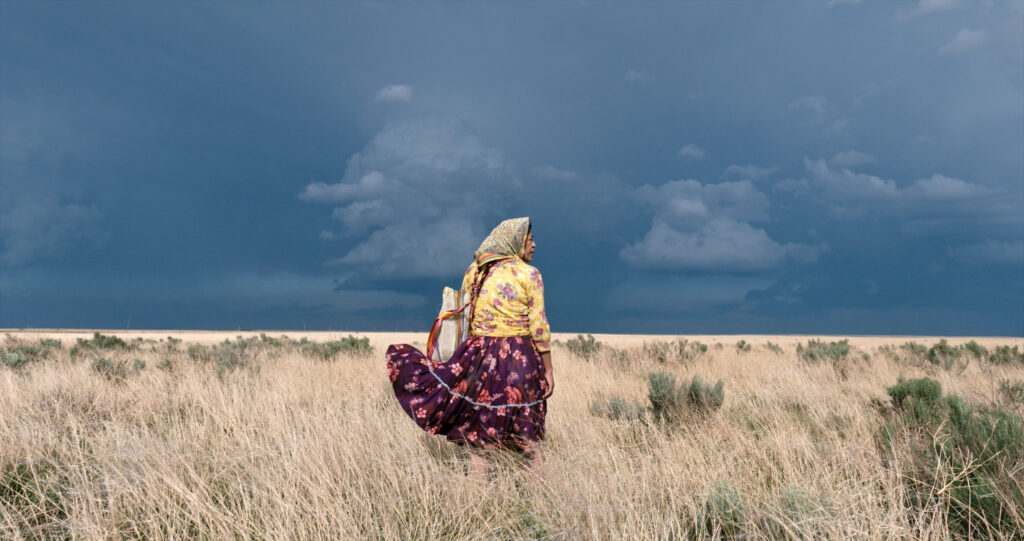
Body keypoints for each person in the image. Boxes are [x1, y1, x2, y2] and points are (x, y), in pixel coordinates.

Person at [386, 217, 553, 474]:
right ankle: (538, 502)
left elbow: (465, 316)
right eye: (529, 239)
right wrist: (548, 370)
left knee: (479, 439)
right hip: (519, 357)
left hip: (478, 357)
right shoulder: (529, 274)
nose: (533, 244)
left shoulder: (475, 271)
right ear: (515, 240)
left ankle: (477, 506)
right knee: (529, 438)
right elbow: (538, 326)